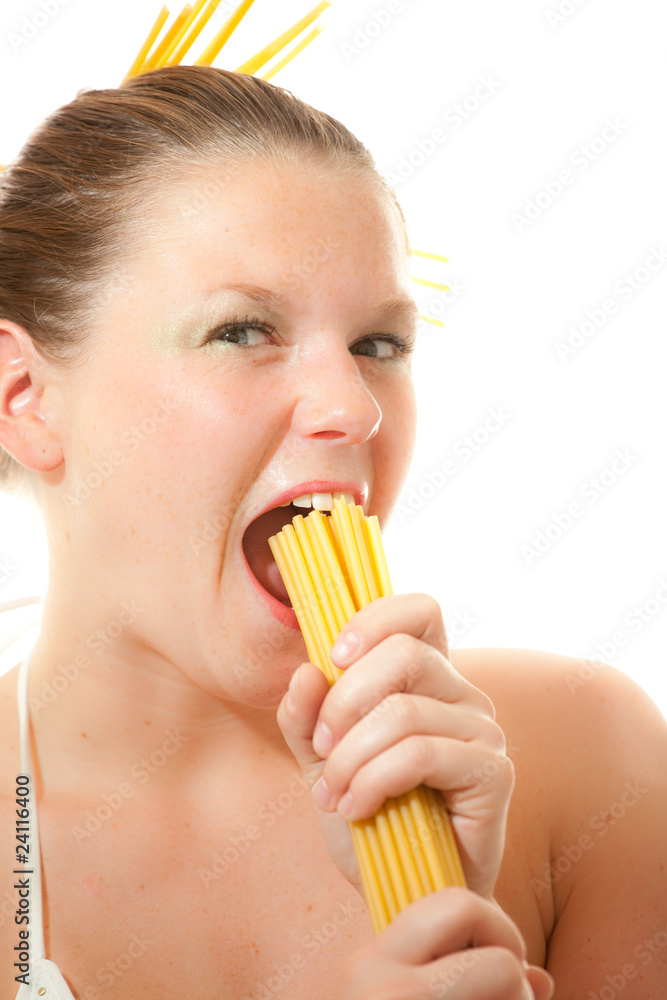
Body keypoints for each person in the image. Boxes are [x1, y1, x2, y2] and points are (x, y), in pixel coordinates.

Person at [0, 65, 665, 1000]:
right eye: (241, 331)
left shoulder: (589, 762)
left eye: (378, 345)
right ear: (25, 397)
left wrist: (433, 890)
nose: (354, 409)